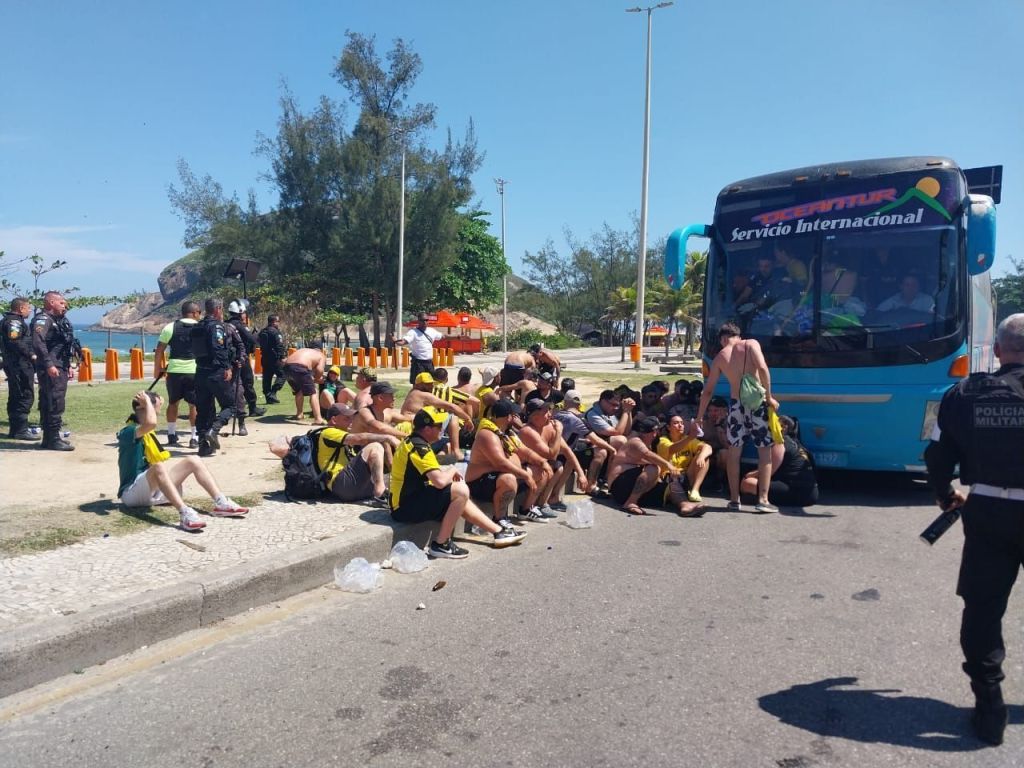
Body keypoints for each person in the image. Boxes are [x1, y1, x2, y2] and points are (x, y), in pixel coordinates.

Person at [923, 313, 1024, 746]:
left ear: (998, 350)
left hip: (989, 510)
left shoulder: (962, 394)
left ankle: (990, 711)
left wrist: (945, 494)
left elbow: (936, 452)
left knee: (982, 610)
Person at [390, 408, 526, 558]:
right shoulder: (419, 447)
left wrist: (449, 476)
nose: (442, 429)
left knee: (459, 493)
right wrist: (453, 470)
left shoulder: (416, 441)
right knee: (460, 491)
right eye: (439, 426)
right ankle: (441, 544)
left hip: (411, 499)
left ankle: (498, 531)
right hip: (404, 507)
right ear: (427, 429)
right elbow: (440, 481)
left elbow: (435, 479)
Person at [117, 390, 249, 532]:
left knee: (194, 460)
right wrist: (149, 401)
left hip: (152, 492)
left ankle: (221, 502)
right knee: (158, 467)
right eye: (154, 404)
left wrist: (153, 400)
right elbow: (151, 423)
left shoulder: (146, 431)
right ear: (140, 407)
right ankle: (184, 513)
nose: (159, 405)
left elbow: (151, 420)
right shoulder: (128, 431)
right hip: (131, 495)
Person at [695, 322, 779, 513]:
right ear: (737, 335)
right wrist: (769, 397)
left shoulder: (720, 357)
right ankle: (763, 500)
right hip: (756, 404)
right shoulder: (750, 344)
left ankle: (734, 500)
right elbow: (763, 368)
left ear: (723, 339)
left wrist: (700, 416)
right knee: (764, 451)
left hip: (736, 406)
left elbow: (707, 391)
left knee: (734, 452)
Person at [465, 399, 546, 523]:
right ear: (509, 417)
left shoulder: (507, 433)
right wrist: (525, 475)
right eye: (515, 415)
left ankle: (525, 510)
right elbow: (500, 463)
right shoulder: (487, 435)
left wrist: (542, 462)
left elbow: (525, 451)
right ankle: (500, 519)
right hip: (479, 483)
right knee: (508, 479)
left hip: (499, 476)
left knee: (540, 471)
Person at [317, 404, 397, 504]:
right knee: (375, 446)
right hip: (341, 485)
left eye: (352, 418)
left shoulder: (343, 434)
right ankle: (380, 494)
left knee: (390, 480)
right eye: (347, 418)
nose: (351, 422)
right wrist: (388, 437)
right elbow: (359, 438)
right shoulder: (329, 432)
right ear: (334, 420)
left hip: (350, 486)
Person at [605, 417, 681, 516]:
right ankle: (630, 502)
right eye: (657, 431)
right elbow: (648, 455)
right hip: (619, 487)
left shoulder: (647, 443)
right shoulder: (635, 442)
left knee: (670, 488)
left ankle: (686, 506)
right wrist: (669, 465)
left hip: (630, 486)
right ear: (651, 432)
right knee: (654, 468)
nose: (658, 433)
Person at [191, 298, 237, 457]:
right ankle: (214, 430)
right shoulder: (216, 326)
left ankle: (203, 446)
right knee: (231, 405)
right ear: (217, 309)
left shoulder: (196, 327)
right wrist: (226, 367)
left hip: (200, 372)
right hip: (215, 371)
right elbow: (218, 348)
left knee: (204, 410)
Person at [31, 291, 77, 451]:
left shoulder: (57, 321)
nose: (65, 306)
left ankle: (51, 437)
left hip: (59, 365)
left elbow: (61, 346)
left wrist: (68, 365)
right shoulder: (43, 320)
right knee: (54, 401)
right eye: (62, 303)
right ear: (51, 302)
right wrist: (49, 364)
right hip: (50, 367)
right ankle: (52, 439)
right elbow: (38, 342)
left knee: (52, 400)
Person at [739, 415, 818, 507]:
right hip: (812, 493)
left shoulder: (781, 443)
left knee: (747, 483)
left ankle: (758, 498)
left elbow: (769, 471)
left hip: (798, 492)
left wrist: (748, 475)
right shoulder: (799, 445)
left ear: (783, 427)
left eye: (773, 424)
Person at [154, 300, 201, 448]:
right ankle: (194, 437)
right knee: (194, 405)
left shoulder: (170, 327)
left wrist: (158, 369)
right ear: (193, 313)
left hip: (174, 371)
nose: (200, 315)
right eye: (199, 312)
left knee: (173, 402)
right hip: (194, 371)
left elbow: (160, 349)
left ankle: (171, 434)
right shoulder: (200, 327)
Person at [401, 371, 474, 459]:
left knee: (448, 442)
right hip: (417, 433)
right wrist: (468, 419)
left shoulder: (412, 393)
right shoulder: (423, 395)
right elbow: (452, 406)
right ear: (418, 385)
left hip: (412, 433)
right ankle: (456, 452)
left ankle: (440, 457)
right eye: (427, 384)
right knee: (453, 417)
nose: (431, 386)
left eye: (431, 383)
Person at [655, 415, 712, 516]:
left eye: (681, 423)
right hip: (670, 477)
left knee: (704, 457)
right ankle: (685, 506)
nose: (680, 425)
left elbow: (708, 447)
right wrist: (690, 437)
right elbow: (672, 449)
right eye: (676, 423)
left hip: (686, 476)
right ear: (668, 427)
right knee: (674, 482)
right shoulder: (663, 440)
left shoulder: (687, 439)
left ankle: (695, 490)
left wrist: (701, 456)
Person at [1, 297, 38, 440]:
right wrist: (31, 354)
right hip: (19, 364)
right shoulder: (14, 322)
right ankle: (20, 430)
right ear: (21, 308)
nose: (29, 310)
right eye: (28, 307)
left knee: (17, 395)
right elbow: (15, 341)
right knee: (24, 394)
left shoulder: (12, 321)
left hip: (16, 364)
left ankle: (16, 429)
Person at [225, 299, 266, 418]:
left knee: (233, 384)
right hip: (242, 358)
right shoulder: (239, 325)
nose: (245, 315)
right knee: (247, 382)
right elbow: (252, 340)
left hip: (231, 359)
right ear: (240, 312)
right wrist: (257, 334)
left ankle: (232, 408)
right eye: (244, 313)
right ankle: (252, 407)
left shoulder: (226, 323)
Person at [283, 344, 327, 424]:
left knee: (299, 391)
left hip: (287, 368)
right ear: (320, 349)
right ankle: (318, 419)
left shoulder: (303, 350)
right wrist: (317, 379)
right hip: (300, 368)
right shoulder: (320, 354)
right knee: (313, 392)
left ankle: (299, 414)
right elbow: (320, 370)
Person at [396, 313, 442, 385]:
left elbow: (442, 336)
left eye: (426, 320)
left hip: (429, 363)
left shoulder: (432, 331)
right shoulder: (413, 332)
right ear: (418, 321)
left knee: (430, 384)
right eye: (422, 320)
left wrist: (457, 337)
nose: (425, 322)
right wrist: (396, 341)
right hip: (418, 363)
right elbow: (403, 342)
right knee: (417, 385)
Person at [257, 315, 287, 404]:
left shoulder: (263, 332)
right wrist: (282, 357)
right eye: (277, 321)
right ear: (274, 322)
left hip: (265, 358)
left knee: (267, 378)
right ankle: (273, 393)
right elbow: (279, 345)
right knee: (283, 375)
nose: (278, 323)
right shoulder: (275, 332)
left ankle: (268, 397)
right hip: (274, 358)